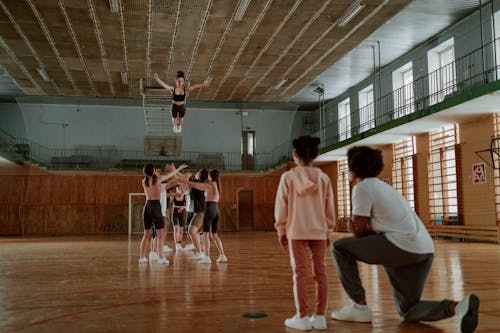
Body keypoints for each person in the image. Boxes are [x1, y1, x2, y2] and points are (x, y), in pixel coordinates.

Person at [330, 146, 479, 333]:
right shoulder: (386, 188)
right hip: (424, 250)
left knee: (338, 247)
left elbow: (358, 231)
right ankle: (458, 307)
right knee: (408, 309)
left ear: (353, 168)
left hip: (401, 246)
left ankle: (359, 307)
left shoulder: (362, 187)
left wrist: (354, 225)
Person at [274, 136, 335, 331]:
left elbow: (281, 207)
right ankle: (319, 317)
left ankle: (301, 317)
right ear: (316, 155)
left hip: (296, 230)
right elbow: (329, 209)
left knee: (299, 273)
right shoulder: (324, 178)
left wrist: (281, 230)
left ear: (294, 154)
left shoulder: (288, 178)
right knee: (321, 272)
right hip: (319, 231)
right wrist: (328, 231)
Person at [139, 162, 187, 264]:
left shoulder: (144, 181)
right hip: (155, 206)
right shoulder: (157, 179)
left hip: (147, 206)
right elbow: (170, 175)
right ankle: (160, 257)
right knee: (160, 235)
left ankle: (142, 257)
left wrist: (154, 174)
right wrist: (178, 168)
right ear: (153, 171)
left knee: (146, 234)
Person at [185, 169, 227, 264]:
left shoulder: (210, 185)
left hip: (209, 209)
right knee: (214, 235)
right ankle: (222, 255)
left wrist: (185, 180)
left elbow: (195, 185)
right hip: (216, 210)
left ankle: (207, 257)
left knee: (205, 235)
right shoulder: (217, 185)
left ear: (210, 176)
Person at [187, 169, 208, 261]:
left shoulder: (198, 182)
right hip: (200, 212)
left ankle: (199, 253)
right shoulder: (200, 183)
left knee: (192, 231)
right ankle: (200, 252)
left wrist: (175, 171)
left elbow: (184, 181)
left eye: (197, 172)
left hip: (201, 212)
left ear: (199, 174)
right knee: (197, 233)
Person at [172, 185, 188, 251]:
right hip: (175, 212)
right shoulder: (173, 195)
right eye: (178, 188)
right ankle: (176, 244)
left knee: (181, 229)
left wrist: (182, 208)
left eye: (180, 188)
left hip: (183, 212)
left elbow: (187, 205)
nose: (179, 189)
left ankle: (179, 243)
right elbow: (172, 204)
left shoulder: (185, 195)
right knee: (176, 228)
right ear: (176, 189)